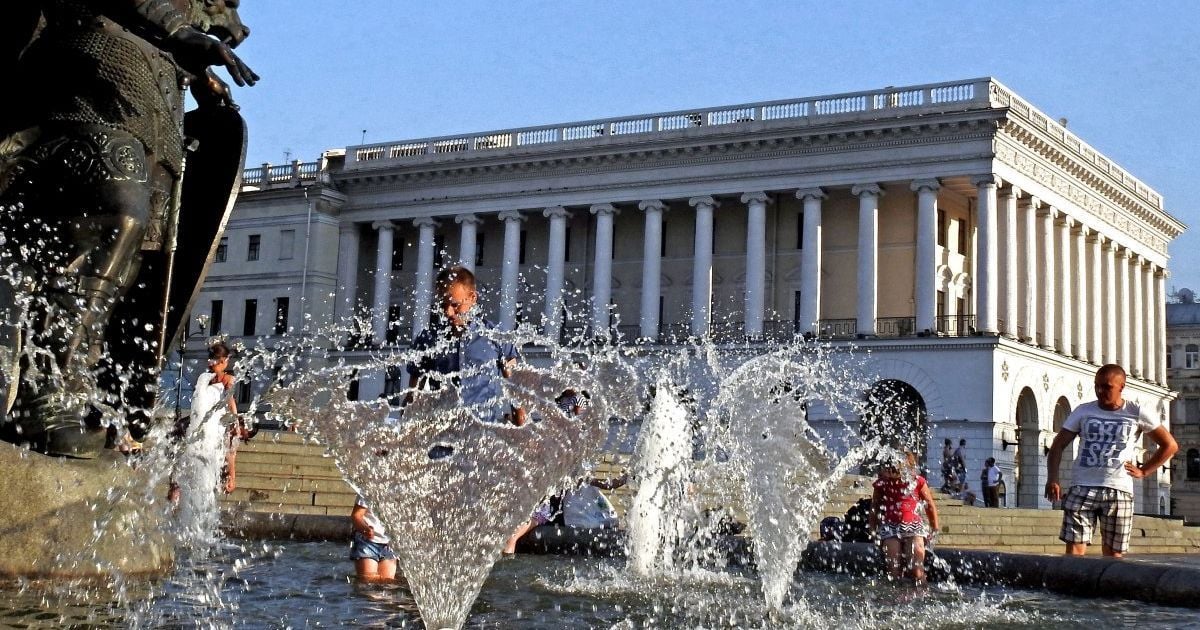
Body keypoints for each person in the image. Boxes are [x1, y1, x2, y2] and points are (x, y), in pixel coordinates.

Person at [1045, 364, 1178, 558]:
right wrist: (1053, 478)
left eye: (1106, 387)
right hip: (1082, 486)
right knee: (1073, 553)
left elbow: (1170, 445)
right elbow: (1057, 446)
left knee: (1113, 555)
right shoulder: (1083, 411)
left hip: (1118, 491)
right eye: (1097, 386)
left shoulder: (1136, 412)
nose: (1100, 391)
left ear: (1121, 386)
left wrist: (1144, 471)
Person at [406, 265, 522, 425]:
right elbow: (413, 394)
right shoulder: (428, 339)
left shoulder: (496, 336)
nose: (448, 312)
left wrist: (521, 426)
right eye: (442, 304)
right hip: (441, 435)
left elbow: (515, 388)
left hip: (484, 435)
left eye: (455, 305)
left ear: (473, 298)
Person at [168, 341, 240, 538]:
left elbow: (230, 401)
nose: (214, 364)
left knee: (229, 441)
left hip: (211, 429)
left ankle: (229, 477)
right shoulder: (207, 377)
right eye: (215, 361)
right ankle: (175, 489)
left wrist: (236, 421)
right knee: (181, 442)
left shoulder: (224, 379)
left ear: (225, 361)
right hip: (198, 428)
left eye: (218, 361)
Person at [869, 452, 940, 585]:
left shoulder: (917, 481)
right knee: (893, 569)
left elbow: (929, 505)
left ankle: (922, 593)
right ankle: (896, 597)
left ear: (909, 468)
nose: (894, 474)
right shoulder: (882, 483)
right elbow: (875, 508)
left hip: (913, 527)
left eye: (899, 469)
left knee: (916, 569)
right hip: (890, 528)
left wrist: (934, 527)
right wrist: (873, 530)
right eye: (891, 469)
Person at [350, 495, 398, 582]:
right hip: (367, 542)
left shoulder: (402, 488)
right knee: (368, 582)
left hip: (389, 544)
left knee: (387, 584)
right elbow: (356, 515)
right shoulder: (368, 489)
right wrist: (364, 529)